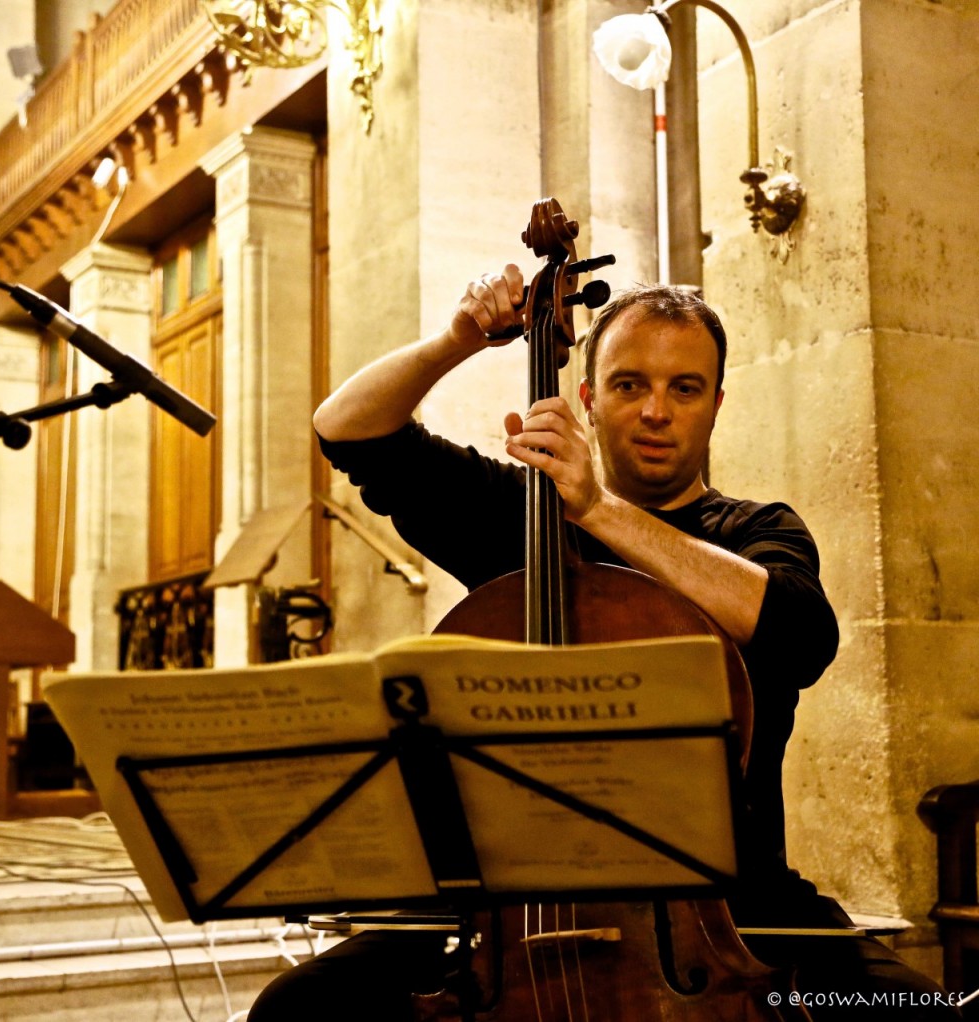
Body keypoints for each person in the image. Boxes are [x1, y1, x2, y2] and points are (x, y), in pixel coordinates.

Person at [248, 267, 959, 1020]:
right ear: (588, 400)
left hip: (726, 902)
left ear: (716, 406)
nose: (656, 411)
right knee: (298, 1009)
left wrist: (598, 509)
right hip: (506, 899)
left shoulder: (758, 532)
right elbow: (346, 428)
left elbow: (798, 635)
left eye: (684, 389)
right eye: (628, 385)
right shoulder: (516, 515)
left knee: (908, 1014)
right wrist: (455, 342)